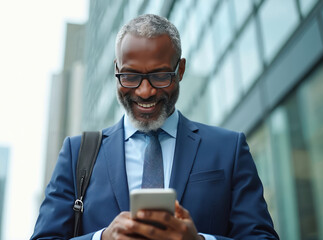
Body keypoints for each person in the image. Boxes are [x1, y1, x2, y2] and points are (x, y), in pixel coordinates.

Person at [31, 14, 279, 240]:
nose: (145, 91)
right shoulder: (77, 153)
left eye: (160, 76)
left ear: (180, 70)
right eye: (130, 76)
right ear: (116, 71)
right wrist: (102, 238)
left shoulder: (228, 149)